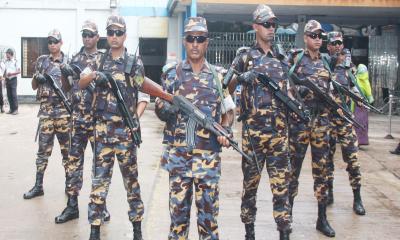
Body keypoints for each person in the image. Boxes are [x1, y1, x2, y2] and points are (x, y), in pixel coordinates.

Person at [79, 15, 169, 240]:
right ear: (106, 35)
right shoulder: (98, 61)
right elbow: (80, 83)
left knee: (131, 183)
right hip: (102, 132)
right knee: (99, 183)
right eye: (111, 33)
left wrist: (136, 119)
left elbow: (143, 92)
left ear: (125, 35)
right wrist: (93, 76)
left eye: (118, 33)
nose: (114, 37)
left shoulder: (133, 63)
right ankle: (94, 230)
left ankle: (137, 229)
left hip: (125, 133)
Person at [155, 16, 234, 240]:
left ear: (207, 42)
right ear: (184, 41)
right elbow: (160, 109)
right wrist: (166, 108)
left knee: (208, 222)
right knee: (178, 221)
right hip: (179, 160)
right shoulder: (171, 74)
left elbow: (228, 110)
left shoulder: (219, 76)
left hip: (208, 161)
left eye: (200, 38)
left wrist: (225, 131)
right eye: (191, 38)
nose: (195, 43)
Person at [226, 5, 292, 240]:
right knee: (250, 187)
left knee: (281, 187)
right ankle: (249, 232)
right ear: (255, 26)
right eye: (267, 24)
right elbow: (226, 87)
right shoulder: (245, 56)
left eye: (273, 24)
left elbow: (289, 91)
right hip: (253, 135)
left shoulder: (282, 57)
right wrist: (240, 79)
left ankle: (284, 232)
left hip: (279, 135)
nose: (271, 29)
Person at [54, 20, 111, 224]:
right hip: (77, 119)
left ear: (97, 37)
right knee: (73, 164)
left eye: (90, 34)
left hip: (98, 121)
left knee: (100, 166)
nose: (87, 38)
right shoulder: (75, 58)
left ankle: (100, 206)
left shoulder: (105, 59)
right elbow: (67, 88)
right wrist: (63, 73)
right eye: (84, 35)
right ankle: (72, 205)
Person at [287, 20, 335, 237]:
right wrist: (297, 96)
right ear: (305, 37)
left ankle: (322, 218)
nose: (318, 39)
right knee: (292, 170)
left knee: (322, 171)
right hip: (300, 123)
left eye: (320, 36)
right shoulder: (296, 59)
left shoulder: (326, 61)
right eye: (314, 35)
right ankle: (286, 217)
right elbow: (285, 85)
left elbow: (330, 88)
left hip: (322, 123)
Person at [23, 29, 71, 200]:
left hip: (64, 114)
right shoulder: (42, 61)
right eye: (50, 42)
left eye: (55, 41)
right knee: (43, 151)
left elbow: (73, 88)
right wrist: (38, 78)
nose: (52, 44)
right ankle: (38, 185)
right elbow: (34, 86)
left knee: (68, 152)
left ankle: (69, 185)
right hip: (46, 113)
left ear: (61, 43)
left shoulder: (68, 62)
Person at [325, 32, 366, 216]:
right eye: (334, 43)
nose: (337, 46)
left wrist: (359, 98)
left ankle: (357, 198)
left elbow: (354, 88)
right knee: (326, 161)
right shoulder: (323, 66)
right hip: (326, 121)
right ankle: (329, 193)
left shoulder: (347, 69)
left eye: (339, 43)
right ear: (328, 46)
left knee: (352, 159)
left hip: (344, 121)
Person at [354, 63, 374, 145]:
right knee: (362, 122)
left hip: (356, 104)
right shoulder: (365, 80)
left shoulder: (355, 78)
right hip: (363, 104)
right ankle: (362, 140)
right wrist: (370, 100)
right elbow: (369, 93)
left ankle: (357, 140)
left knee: (357, 121)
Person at [4, 48, 21, 115]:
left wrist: (11, 74)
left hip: (13, 79)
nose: (6, 55)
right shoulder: (6, 61)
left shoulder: (15, 61)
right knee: (9, 95)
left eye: (7, 54)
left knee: (13, 95)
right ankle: (11, 109)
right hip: (7, 79)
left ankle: (16, 109)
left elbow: (19, 71)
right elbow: (5, 70)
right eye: (6, 54)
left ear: (10, 54)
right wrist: (5, 79)